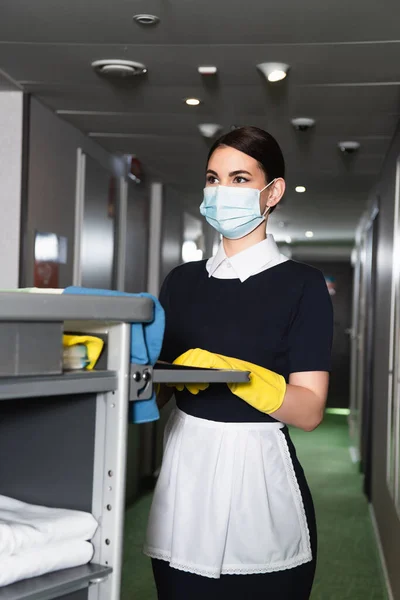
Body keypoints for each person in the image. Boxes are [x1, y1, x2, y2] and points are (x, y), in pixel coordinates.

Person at [144, 126, 333, 599]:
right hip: (185, 475)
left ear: (273, 192)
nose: (221, 191)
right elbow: (162, 390)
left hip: (258, 478)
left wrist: (235, 377)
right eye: (214, 178)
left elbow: (310, 411)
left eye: (240, 178)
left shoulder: (302, 285)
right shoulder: (182, 281)